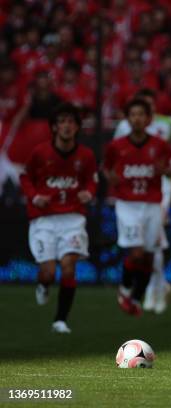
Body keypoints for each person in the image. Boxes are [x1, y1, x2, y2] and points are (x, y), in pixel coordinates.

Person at [19, 102, 98, 333]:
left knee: (68, 267)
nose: (66, 126)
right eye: (61, 122)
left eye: (71, 122)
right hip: (44, 219)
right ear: (54, 127)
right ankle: (43, 285)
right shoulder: (40, 153)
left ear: (77, 127)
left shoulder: (86, 155)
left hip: (72, 218)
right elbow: (25, 178)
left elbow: (92, 180)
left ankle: (60, 320)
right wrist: (34, 197)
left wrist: (89, 193)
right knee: (48, 272)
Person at [114, 88, 171, 314]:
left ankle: (154, 291)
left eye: (149, 104)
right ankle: (158, 288)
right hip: (134, 189)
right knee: (149, 245)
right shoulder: (124, 127)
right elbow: (116, 153)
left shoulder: (168, 124)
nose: (145, 110)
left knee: (154, 241)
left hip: (161, 186)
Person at [103, 99, 171, 316]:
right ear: (128, 118)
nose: (137, 119)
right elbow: (106, 169)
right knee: (136, 254)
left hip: (152, 203)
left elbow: (169, 169)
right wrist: (111, 178)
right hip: (128, 204)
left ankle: (135, 298)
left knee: (150, 257)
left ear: (148, 119)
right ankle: (124, 290)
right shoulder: (116, 146)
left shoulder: (160, 145)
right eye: (133, 114)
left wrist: (164, 170)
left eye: (141, 114)